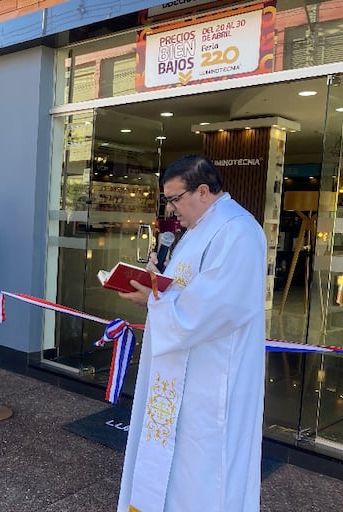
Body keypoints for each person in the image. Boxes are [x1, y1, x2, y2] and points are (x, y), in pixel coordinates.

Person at [116, 155, 266, 512]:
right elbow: (186, 290)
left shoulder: (238, 231)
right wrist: (156, 284)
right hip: (182, 372)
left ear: (202, 191)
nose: (171, 209)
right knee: (173, 461)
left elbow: (219, 307)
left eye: (174, 199)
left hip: (211, 379)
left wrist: (156, 301)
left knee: (204, 470)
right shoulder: (199, 229)